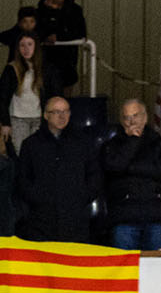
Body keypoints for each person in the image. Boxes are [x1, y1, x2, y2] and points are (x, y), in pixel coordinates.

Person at [16, 95, 99, 243]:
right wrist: (38, 199)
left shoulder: (83, 143)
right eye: (56, 112)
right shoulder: (31, 144)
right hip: (41, 222)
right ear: (46, 115)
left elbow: (94, 175)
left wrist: (81, 197)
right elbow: (23, 179)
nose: (62, 116)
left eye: (66, 111)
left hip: (75, 220)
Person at [101, 100, 161, 252]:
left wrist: (131, 167)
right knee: (124, 270)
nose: (132, 121)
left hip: (157, 217)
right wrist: (132, 141)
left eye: (135, 115)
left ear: (145, 117)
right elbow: (114, 167)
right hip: (124, 218)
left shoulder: (160, 143)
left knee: (157, 268)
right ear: (121, 121)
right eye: (126, 117)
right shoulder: (112, 145)